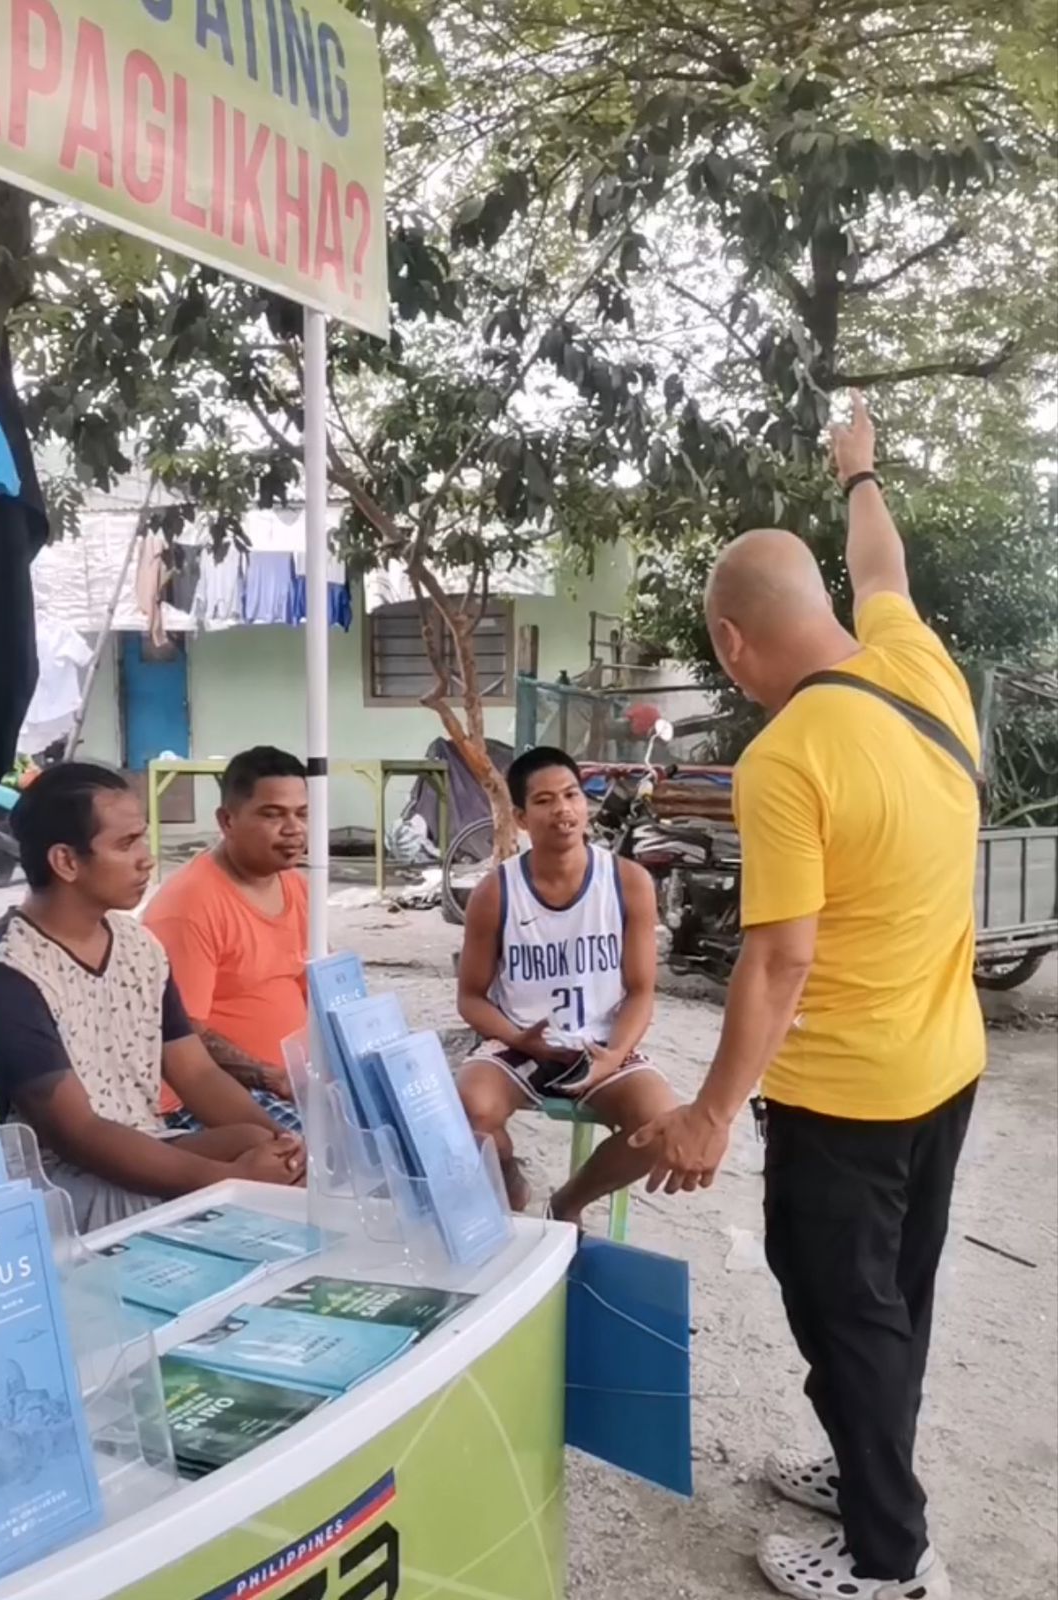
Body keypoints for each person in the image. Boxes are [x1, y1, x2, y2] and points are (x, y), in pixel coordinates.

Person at [633, 394, 983, 1600]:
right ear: (822, 612)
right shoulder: (917, 666)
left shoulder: (783, 758)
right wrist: (857, 475)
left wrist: (710, 1112)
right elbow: (881, 562)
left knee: (847, 1312)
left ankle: (889, 1561)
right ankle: (863, 1462)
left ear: (731, 645)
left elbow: (777, 959)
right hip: (946, 1069)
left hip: (845, 1098)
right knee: (898, 1297)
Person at [0, 762, 305, 1233]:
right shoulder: (3, 973)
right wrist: (228, 1180)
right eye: (126, 844)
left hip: (139, 1143)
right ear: (66, 862)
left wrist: (286, 1145)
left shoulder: (137, 946)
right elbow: (80, 1135)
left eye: (143, 838)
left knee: (255, 1139)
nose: (147, 858)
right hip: (53, 1188)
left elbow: (194, 1070)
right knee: (259, 1204)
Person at [456, 746, 676, 1227]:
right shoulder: (495, 892)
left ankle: (568, 1203)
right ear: (519, 817)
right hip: (521, 1042)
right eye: (544, 800)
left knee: (661, 1124)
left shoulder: (628, 882)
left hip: (599, 1043)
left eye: (572, 795)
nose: (563, 810)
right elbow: (470, 997)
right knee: (468, 1110)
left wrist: (615, 1056)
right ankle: (509, 1176)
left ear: (586, 803)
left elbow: (640, 991)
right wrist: (516, 1037)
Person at [143, 747, 308, 1135]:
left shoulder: (297, 887)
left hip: (297, 1085)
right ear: (227, 820)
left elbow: (318, 987)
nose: (293, 829)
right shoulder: (190, 905)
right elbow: (183, 1036)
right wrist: (269, 1076)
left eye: (301, 814)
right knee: (323, 1161)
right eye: (272, 815)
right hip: (207, 1096)